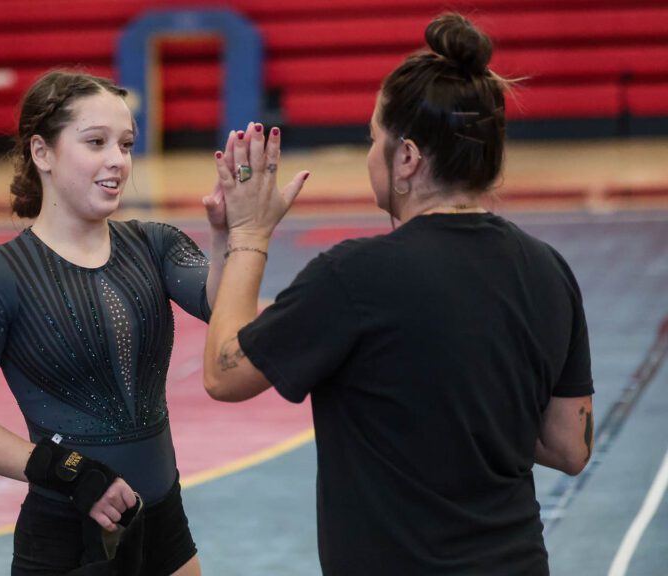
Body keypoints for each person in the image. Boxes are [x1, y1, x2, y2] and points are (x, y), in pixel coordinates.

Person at [202, 13, 594, 575]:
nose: (369, 154)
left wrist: (247, 235)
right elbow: (569, 448)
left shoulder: (355, 276)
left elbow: (223, 371)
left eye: (372, 138)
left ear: (406, 158)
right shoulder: (548, 270)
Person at [0, 70, 227, 575]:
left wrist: (233, 235)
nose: (118, 160)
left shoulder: (155, 244)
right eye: (96, 142)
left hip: (163, 522)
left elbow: (226, 312)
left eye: (126, 144)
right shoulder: (0, 277)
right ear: (42, 153)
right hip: (64, 536)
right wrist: (70, 473)